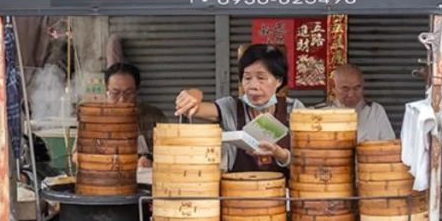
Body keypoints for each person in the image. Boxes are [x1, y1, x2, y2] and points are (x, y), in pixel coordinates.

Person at [174, 44, 303, 173]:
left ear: (279, 81)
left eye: (261, 78)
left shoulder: (293, 109)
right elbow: (195, 108)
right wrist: (194, 94)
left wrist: (280, 154)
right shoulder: (230, 107)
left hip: (281, 191)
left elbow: (308, 165)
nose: (253, 86)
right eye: (247, 78)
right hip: (236, 190)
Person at [105, 62, 165, 169]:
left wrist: (150, 158)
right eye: (115, 93)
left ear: (137, 91)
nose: (122, 99)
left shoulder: (154, 116)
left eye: (128, 93)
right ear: (107, 91)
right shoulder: (93, 118)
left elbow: (169, 151)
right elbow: (77, 155)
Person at [317, 64, 395, 143]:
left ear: (363, 86)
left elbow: (390, 146)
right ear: (334, 87)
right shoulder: (320, 114)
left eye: (356, 88)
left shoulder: (375, 111)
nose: (351, 94)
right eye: (345, 88)